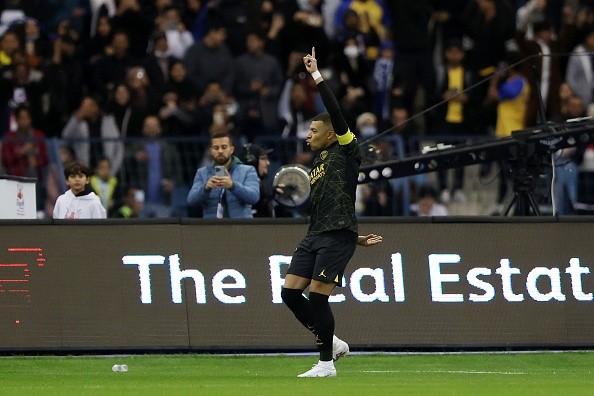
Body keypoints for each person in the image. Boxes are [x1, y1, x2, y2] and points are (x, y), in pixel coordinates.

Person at [280, 47, 379, 378]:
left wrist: (316, 75)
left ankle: (326, 364)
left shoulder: (347, 150)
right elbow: (318, 203)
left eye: (312, 130)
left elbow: (335, 111)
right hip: (316, 235)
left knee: (319, 297)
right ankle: (333, 342)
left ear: (328, 133)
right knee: (290, 292)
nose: (308, 135)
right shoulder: (317, 164)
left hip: (336, 236)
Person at [186, 131, 260, 218]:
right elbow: (191, 201)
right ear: (211, 151)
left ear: (231, 149)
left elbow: (254, 198)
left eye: (224, 147)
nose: (220, 151)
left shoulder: (248, 170)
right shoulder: (202, 173)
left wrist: (233, 186)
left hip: (241, 228)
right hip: (214, 229)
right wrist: (205, 188)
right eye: (216, 148)